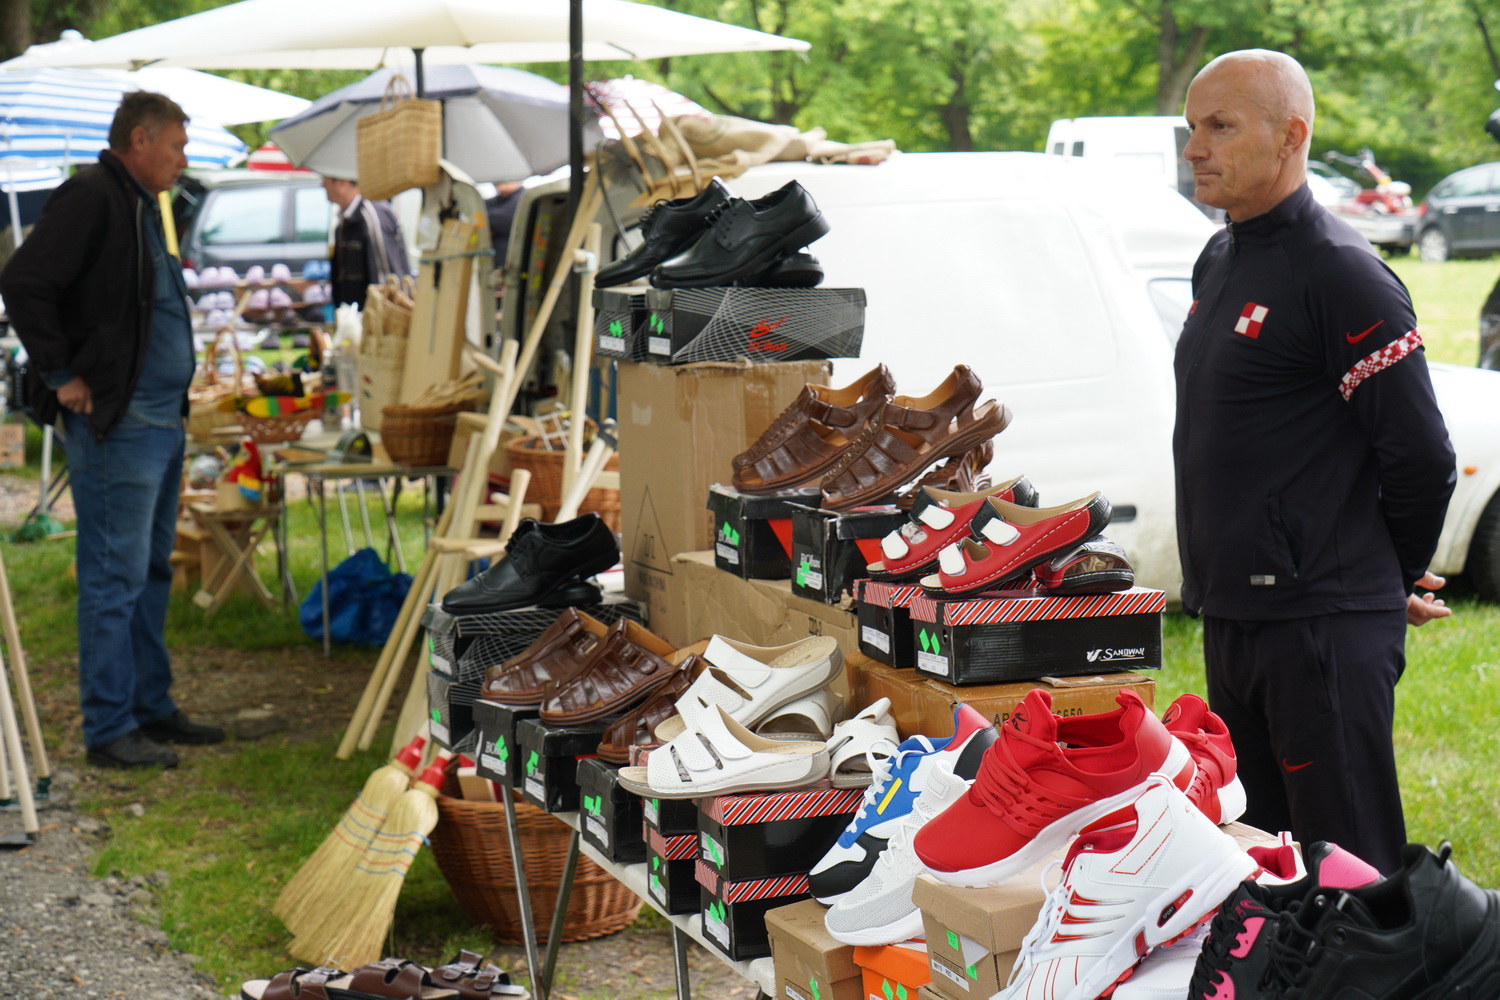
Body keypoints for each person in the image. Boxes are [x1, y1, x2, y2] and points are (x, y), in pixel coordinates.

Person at [1173, 49, 1457, 874]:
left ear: (1291, 136)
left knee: (1349, 868)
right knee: (1263, 860)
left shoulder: (1342, 272)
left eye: (1220, 126)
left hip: (1318, 622)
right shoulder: (1220, 257)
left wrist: (1383, 578)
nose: (1195, 148)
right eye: (1192, 127)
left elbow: (1421, 453)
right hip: (1235, 616)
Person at [0, 92, 225, 769]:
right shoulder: (93, 195)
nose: (183, 160)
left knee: (150, 570)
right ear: (140, 139)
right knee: (113, 576)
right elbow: (23, 280)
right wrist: (61, 373)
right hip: (120, 422)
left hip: (157, 420)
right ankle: (108, 726)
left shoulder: (139, 203)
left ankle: (149, 705)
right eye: (176, 146)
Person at [321, 175, 411, 307]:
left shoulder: (371, 216)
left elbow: (386, 278)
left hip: (375, 314)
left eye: (325, 180)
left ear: (342, 182)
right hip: (354, 312)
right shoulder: (344, 221)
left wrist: (379, 313)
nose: (322, 185)